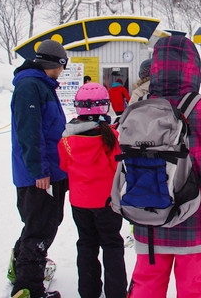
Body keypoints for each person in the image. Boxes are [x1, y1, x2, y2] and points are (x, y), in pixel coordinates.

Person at [126, 35, 201, 298]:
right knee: (195, 288)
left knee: (146, 287)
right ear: (193, 68)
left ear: (156, 67)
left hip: (148, 215)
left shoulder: (138, 108)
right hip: (196, 218)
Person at [10, 39, 69, 298]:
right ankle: (29, 287)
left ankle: (20, 267)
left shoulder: (41, 85)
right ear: (55, 63)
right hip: (40, 175)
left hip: (50, 171)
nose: (63, 71)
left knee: (42, 223)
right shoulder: (30, 86)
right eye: (62, 65)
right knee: (41, 228)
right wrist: (40, 171)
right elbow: (30, 133)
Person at [58, 82, 127, 298]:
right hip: (107, 202)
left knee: (86, 244)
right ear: (104, 107)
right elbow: (118, 167)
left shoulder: (67, 139)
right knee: (112, 244)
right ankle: (116, 292)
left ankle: (88, 292)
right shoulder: (110, 137)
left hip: (79, 202)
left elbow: (64, 166)